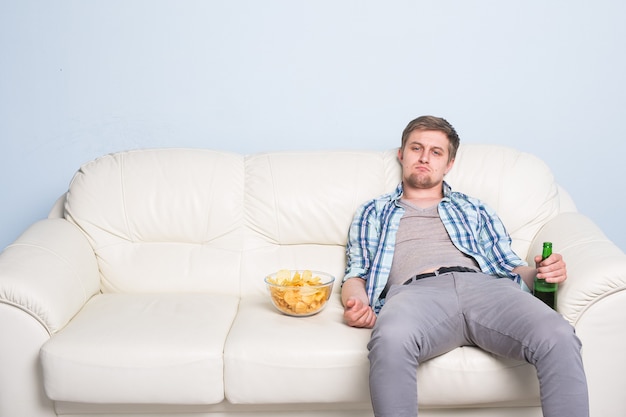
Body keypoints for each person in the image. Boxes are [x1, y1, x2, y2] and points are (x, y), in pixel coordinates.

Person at [341, 115, 589, 417]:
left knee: (558, 334)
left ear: (449, 164)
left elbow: (506, 263)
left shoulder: (474, 207)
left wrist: (541, 273)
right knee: (390, 340)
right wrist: (356, 303)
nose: (424, 158)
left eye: (436, 152)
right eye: (416, 148)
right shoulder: (373, 211)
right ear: (401, 154)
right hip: (415, 295)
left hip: (485, 288)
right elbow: (357, 273)